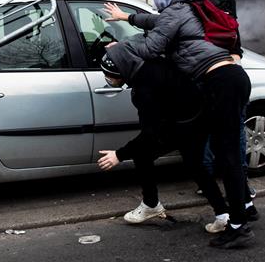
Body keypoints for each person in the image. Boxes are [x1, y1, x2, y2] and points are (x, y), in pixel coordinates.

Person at [104, 0, 254, 248]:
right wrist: (126, 17)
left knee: (229, 156)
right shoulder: (187, 7)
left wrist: (120, 50)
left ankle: (238, 225)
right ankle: (237, 214)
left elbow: (151, 46)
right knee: (218, 152)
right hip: (225, 80)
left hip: (221, 82)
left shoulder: (176, 12)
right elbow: (154, 22)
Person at [96, 50, 229, 227]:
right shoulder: (147, 66)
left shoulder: (144, 89)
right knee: (196, 167)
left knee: (145, 154)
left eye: (109, 75)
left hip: (182, 124)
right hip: (195, 116)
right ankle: (222, 215)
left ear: (122, 72)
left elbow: (150, 134)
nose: (108, 79)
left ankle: (151, 204)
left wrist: (119, 155)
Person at [186, 0, 256, 205]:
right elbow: (236, 42)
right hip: (234, 72)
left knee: (207, 130)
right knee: (236, 131)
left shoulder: (199, 7)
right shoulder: (225, 3)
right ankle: (243, 186)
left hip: (210, 75)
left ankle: (210, 180)